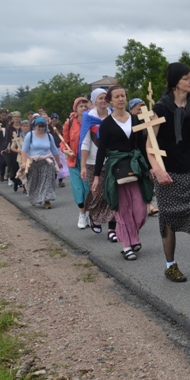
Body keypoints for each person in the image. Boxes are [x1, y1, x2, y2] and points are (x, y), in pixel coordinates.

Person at [148, 63, 190, 287]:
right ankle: (170, 266)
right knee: (168, 219)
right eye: (186, 78)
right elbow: (150, 144)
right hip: (167, 172)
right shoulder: (161, 108)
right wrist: (157, 170)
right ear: (175, 82)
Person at [92, 86, 153, 261]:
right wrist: (96, 176)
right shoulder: (106, 124)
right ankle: (127, 245)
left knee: (140, 210)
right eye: (117, 96)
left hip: (135, 167)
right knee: (122, 209)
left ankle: (132, 236)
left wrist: (149, 167)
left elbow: (141, 145)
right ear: (110, 101)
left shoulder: (135, 119)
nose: (120, 99)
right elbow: (102, 151)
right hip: (116, 169)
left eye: (123, 96)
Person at [81, 88, 118, 241]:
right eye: (100, 98)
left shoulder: (113, 115)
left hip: (112, 160)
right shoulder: (89, 117)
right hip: (92, 161)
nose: (104, 101)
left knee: (113, 193)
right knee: (97, 192)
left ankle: (112, 229)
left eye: (105, 98)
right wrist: (83, 165)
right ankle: (93, 214)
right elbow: (85, 142)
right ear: (94, 101)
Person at [19, 116, 62, 209]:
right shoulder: (30, 135)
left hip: (47, 161)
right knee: (35, 182)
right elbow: (24, 150)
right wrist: (24, 162)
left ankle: (47, 200)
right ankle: (35, 198)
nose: (41, 128)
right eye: (39, 126)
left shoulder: (49, 136)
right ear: (35, 125)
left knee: (48, 181)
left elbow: (54, 150)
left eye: (43, 126)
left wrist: (58, 162)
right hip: (34, 162)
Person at [63, 97, 91, 229]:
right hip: (74, 161)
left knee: (88, 188)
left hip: (89, 160)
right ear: (76, 108)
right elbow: (64, 142)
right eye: (81, 106)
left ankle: (89, 214)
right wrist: (66, 151)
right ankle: (81, 214)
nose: (83, 108)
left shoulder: (92, 121)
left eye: (85, 106)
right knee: (78, 188)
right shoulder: (69, 123)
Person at [130, 97, 159, 216]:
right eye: (138, 109)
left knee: (149, 180)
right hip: (135, 155)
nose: (141, 111)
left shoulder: (148, 121)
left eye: (143, 108)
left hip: (149, 154)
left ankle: (149, 204)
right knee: (137, 181)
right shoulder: (129, 122)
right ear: (131, 110)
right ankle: (138, 206)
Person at [49, 113, 69, 188]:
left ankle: (60, 180)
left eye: (56, 120)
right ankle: (52, 180)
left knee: (60, 163)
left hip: (59, 146)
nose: (55, 122)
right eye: (53, 120)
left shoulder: (60, 127)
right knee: (52, 164)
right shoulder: (48, 127)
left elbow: (63, 136)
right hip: (50, 148)